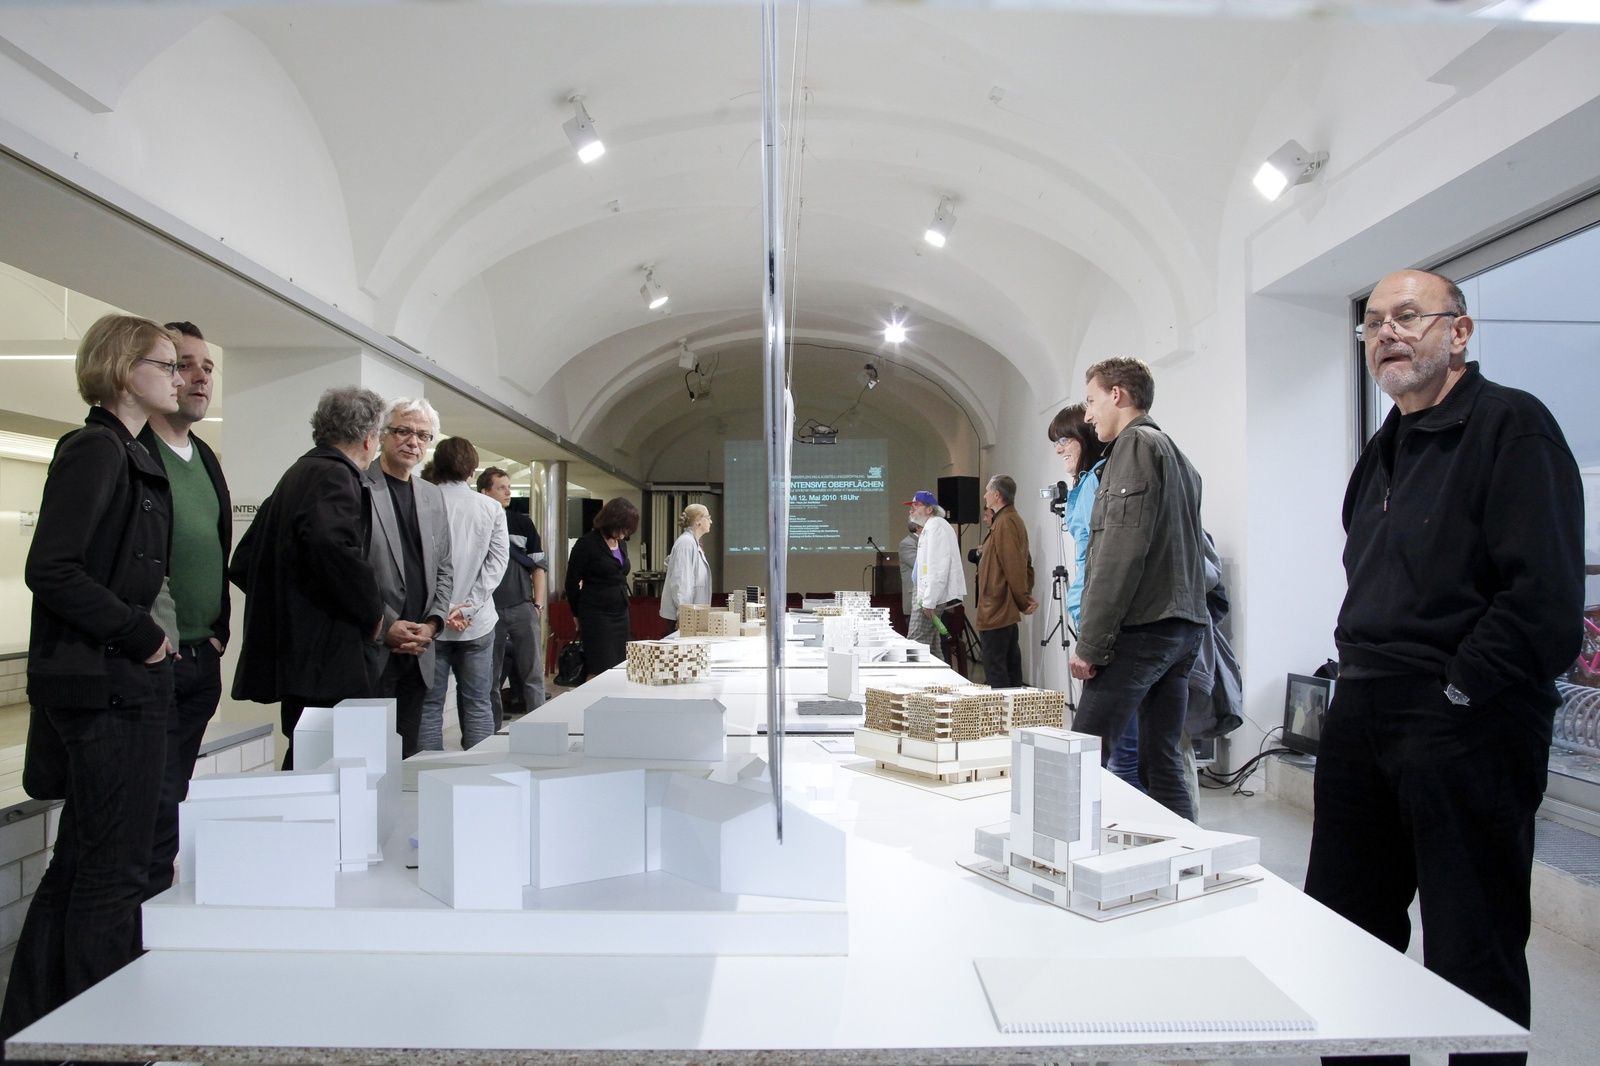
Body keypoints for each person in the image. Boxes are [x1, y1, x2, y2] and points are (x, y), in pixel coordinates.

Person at [1306, 268, 1583, 1066]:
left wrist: (1460, 688)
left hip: (1466, 719)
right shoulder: (1385, 446)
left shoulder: (1513, 427)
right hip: (1364, 708)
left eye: (1408, 316)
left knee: (1472, 947)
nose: (1387, 333)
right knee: (1344, 930)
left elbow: (1545, 601)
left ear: (1459, 332)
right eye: (1373, 323)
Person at [0, 315, 182, 1042]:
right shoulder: (96, 448)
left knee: (82, 861)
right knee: (113, 872)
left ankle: (41, 1024)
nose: (179, 376)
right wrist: (140, 634)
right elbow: (51, 567)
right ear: (123, 369)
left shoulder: (127, 450)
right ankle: (100, 1032)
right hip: (106, 685)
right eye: (165, 364)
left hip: (115, 681)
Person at [1069, 357, 1207, 823]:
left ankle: (1059, 857)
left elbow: (1120, 552)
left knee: (1081, 759)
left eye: (1091, 401)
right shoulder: (1178, 456)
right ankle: (1185, 853)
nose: (1088, 415)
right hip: (1182, 628)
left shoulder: (1133, 446)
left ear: (1117, 395)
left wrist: (1090, 643)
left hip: (1143, 628)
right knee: (1161, 761)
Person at [229, 387, 385, 770]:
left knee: (306, 754)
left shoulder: (297, 474)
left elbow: (244, 561)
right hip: (327, 657)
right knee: (325, 765)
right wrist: (371, 612)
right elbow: (330, 546)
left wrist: (288, 604)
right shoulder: (335, 476)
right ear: (369, 438)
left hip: (300, 656)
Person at [131, 320, 233, 899]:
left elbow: (217, 547)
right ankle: (133, 925)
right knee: (146, 805)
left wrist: (218, 632)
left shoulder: (205, 457)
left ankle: (151, 913)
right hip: (154, 658)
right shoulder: (132, 449)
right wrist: (154, 638)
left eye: (207, 367)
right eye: (183, 364)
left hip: (200, 657)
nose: (198, 378)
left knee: (173, 799)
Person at [1049, 403, 1140, 790]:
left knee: (1111, 750)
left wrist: (1089, 635)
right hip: (1105, 624)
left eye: (1064, 440)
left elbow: (1097, 563)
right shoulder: (1092, 481)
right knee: (1126, 747)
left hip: (1105, 629)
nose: (1059, 449)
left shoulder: (1095, 483)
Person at [365, 397, 455, 757]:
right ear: (383, 434)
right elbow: (350, 569)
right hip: (373, 647)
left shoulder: (431, 495)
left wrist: (433, 623)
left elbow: (444, 567)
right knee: (368, 756)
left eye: (422, 435)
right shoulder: (360, 485)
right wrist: (386, 625)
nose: (413, 441)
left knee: (406, 755)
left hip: (420, 649)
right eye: (403, 431)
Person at [420, 437, 507, 751]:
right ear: (473, 470)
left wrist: (443, 610)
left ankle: (425, 773)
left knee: (429, 706)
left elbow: (415, 564)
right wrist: (468, 606)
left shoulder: (421, 501)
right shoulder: (490, 507)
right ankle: (478, 772)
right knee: (478, 703)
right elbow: (497, 563)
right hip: (477, 622)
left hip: (429, 621)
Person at [479, 467, 547, 724]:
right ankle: (492, 728)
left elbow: (538, 566)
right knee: (491, 676)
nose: (508, 492)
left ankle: (539, 725)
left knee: (533, 672)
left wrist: (537, 604)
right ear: (485, 491)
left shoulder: (522, 523)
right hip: (489, 608)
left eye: (509, 487)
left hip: (522, 605)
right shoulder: (478, 522)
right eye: (501, 488)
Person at [973, 475, 1037, 687]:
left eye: (987, 491)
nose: (984, 495)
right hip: (1000, 607)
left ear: (997, 495)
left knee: (996, 667)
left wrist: (1023, 600)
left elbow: (1015, 566)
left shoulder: (1006, 522)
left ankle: (1003, 707)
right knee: (1008, 664)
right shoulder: (1006, 520)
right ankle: (1011, 706)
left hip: (997, 608)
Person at [565, 497, 639, 679]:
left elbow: (621, 573)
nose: (625, 534)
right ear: (612, 522)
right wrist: (576, 613)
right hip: (596, 613)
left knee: (621, 664)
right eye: (623, 528)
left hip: (620, 611)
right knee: (600, 666)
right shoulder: (587, 544)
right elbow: (571, 582)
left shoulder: (621, 544)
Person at [906, 490, 965, 665]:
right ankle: (940, 679)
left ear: (929, 509)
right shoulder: (931, 527)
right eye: (911, 506)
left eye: (916, 505)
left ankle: (917, 681)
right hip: (926, 593)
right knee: (932, 646)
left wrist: (929, 601)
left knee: (916, 645)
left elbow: (938, 568)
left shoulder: (936, 527)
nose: (911, 509)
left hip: (928, 596)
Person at [660, 503, 712, 624]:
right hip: (685, 616)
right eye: (708, 517)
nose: (711, 521)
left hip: (692, 614)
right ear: (698, 520)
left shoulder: (692, 542)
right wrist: (684, 614)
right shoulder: (686, 543)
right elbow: (681, 582)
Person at [898, 520, 925, 643]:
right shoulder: (907, 543)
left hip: (930, 600)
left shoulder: (926, 542)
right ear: (918, 527)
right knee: (918, 644)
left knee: (937, 642)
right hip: (915, 601)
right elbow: (920, 567)